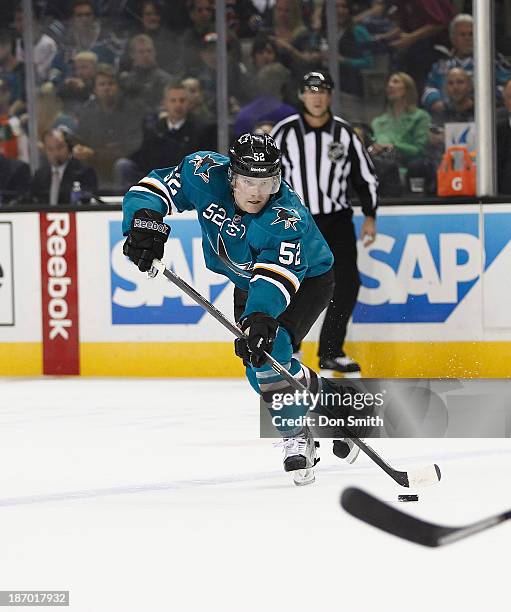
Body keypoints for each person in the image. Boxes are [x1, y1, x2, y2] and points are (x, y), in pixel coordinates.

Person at [121, 132, 362, 483]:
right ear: (232, 176)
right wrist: (144, 224)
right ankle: (335, 402)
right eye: (248, 181)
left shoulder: (285, 217)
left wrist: (260, 316)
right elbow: (153, 188)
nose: (256, 192)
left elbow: (277, 276)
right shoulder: (203, 172)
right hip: (247, 281)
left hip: (306, 280)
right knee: (257, 362)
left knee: (270, 346)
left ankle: (297, 436)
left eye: (266, 182)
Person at [271, 70, 378, 377]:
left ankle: (331, 351)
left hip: (337, 220)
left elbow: (365, 177)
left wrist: (370, 215)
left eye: (322, 91)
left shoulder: (344, 133)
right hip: (297, 221)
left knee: (347, 283)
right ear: (302, 95)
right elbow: (266, 173)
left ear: (330, 95)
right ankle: (289, 344)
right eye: (311, 91)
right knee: (292, 282)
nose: (317, 96)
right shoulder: (284, 132)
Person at [422, 14, 511, 115]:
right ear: (453, 39)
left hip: (484, 116)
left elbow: (507, 86)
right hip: (447, 116)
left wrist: (478, 102)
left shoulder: (493, 61)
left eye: (471, 34)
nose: (467, 38)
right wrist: (435, 102)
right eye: (462, 35)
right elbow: (428, 89)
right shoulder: (441, 65)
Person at [371, 72, 431, 182]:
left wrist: (393, 146)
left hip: (409, 169)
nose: (390, 85)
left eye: (396, 82)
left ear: (407, 89)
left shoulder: (420, 117)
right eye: (389, 82)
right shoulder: (378, 122)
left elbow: (419, 150)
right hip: (380, 170)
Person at [30, 127, 98, 205]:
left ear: (69, 147)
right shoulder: (40, 174)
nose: (56, 153)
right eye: (50, 149)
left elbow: (86, 202)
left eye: (60, 147)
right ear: (45, 150)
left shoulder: (85, 172)